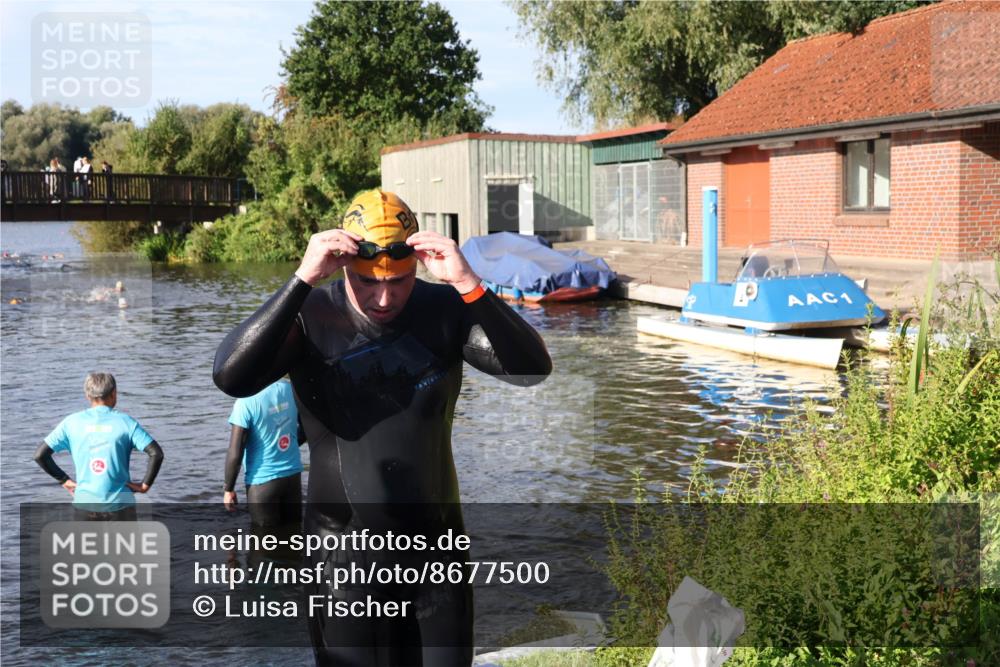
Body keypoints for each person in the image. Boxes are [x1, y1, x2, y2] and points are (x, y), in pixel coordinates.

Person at [213, 189, 552, 666]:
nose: (385, 297)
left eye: (400, 281)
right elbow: (231, 376)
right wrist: (301, 280)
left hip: (438, 556)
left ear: (416, 264)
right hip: (342, 560)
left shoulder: (445, 309)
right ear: (345, 266)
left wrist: (469, 283)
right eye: (367, 283)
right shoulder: (312, 316)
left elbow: (532, 369)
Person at [33, 372, 164, 520]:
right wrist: (144, 485)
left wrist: (63, 479)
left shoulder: (70, 423)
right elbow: (156, 453)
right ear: (114, 393)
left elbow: (40, 455)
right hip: (120, 506)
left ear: (88, 396)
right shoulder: (126, 422)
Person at [223, 378, 305, 528]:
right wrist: (288, 447)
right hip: (293, 477)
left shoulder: (245, 402)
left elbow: (235, 452)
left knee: (264, 544)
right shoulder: (290, 389)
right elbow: (305, 430)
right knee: (294, 534)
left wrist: (229, 489)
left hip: (262, 484)